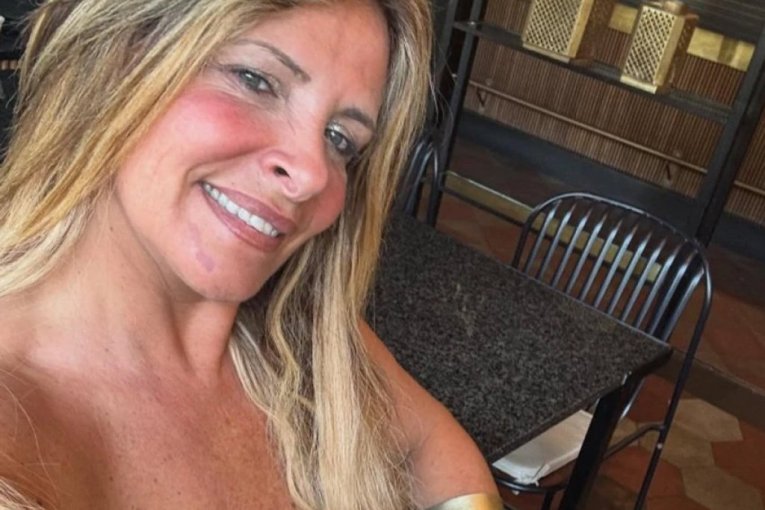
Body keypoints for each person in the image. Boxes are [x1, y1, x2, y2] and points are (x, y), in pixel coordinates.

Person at [0, 0, 502, 508]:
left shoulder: (300, 339)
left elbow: (433, 447)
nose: (312, 174)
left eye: (339, 139)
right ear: (118, 60)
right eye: (255, 80)